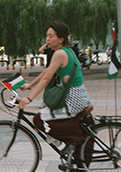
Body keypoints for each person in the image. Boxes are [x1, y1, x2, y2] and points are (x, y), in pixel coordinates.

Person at [16, 21, 92, 161]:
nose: (47, 39)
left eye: (51, 36)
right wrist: (30, 85)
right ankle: (71, 145)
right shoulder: (67, 51)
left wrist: (29, 99)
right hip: (80, 96)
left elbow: (46, 80)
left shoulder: (59, 54)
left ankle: (72, 142)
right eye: (47, 36)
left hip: (72, 99)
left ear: (61, 39)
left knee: (39, 119)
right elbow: (47, 71)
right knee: (48, 115)